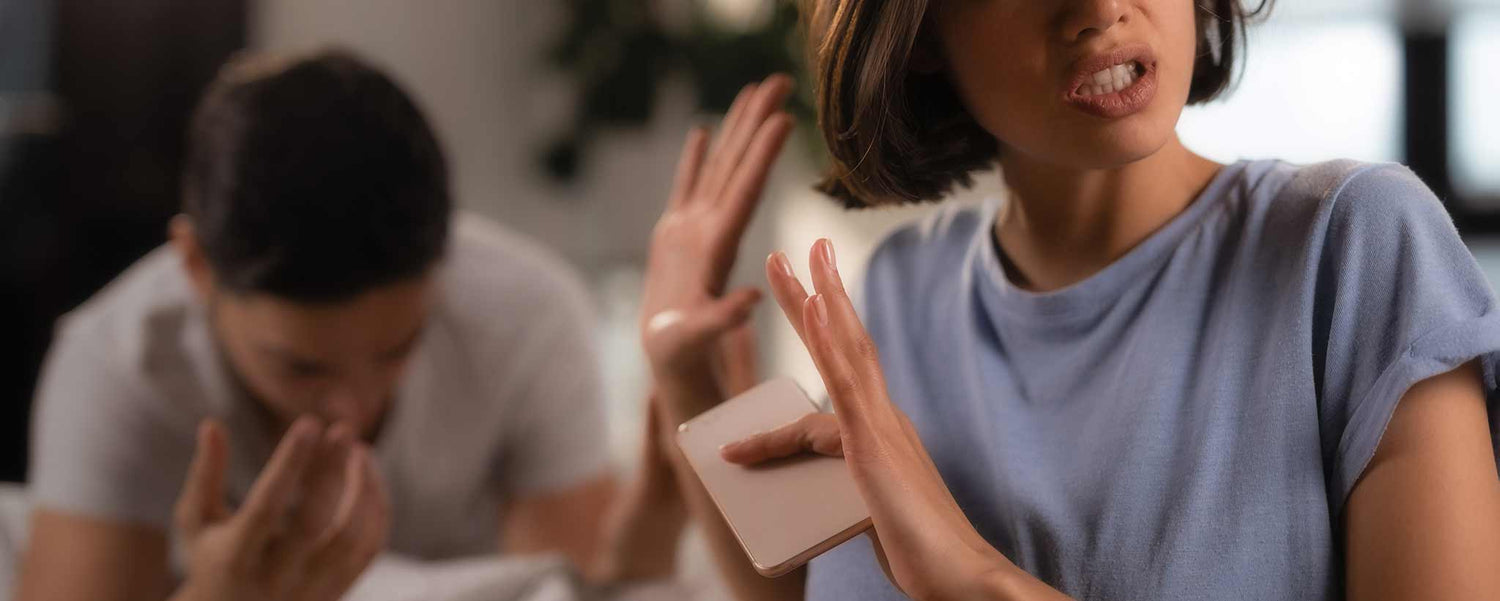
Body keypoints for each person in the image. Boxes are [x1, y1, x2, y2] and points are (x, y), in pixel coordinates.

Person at [636, 0, 1500, 599]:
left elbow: (941, 572)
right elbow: (804, 592)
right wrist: (685, 376)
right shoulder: (901, 291)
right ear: (923, 30)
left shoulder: (1352, 246)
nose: (1098, 8)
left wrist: (973, 578)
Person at [17, 49, 686, 601]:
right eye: (300, 365)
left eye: (397, 348)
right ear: (196, 267)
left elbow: (561, 580)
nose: (351, 405)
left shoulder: (526, 315)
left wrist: (644, 545)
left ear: (442, 262)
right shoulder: (117, 362)